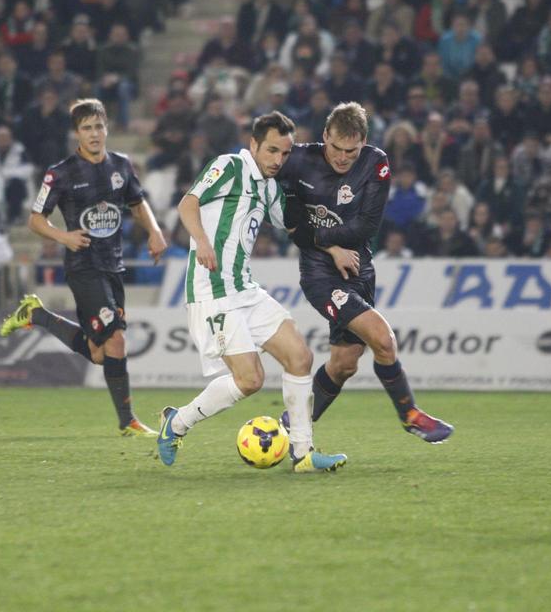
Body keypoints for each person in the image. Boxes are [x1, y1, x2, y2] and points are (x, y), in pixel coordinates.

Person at [155, 111, 346, 473]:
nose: (278, 160)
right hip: (212, 289)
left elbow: (294, 229)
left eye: (285, 154)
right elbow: (187, 204)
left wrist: (333, 248)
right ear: (253, 144)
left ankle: (303, 453)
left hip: (244, 288)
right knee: (250, 380)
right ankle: (176, 422)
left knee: (300, 357)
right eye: (272, 151)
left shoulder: (269, 187)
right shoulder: (229, 166)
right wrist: (202, 242)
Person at [278, 102, 453, 443]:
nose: (343, 158)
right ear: (325, 135)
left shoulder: (376, 163)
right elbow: (286, 220)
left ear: (363, 143)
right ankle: (410, 414)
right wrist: (328, 247)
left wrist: (315, 235)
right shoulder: (298, 160)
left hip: (359, 271)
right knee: (384, 340)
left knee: (344, 364)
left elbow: (366, 227)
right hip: (319, 275)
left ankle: (290, 424)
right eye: (337, 149)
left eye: (351, 151)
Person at [0, 100, 167, 437]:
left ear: (106, 128)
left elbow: (137, 201)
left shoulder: (121, 164)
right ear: (77, 133)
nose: (94, 134)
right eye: (86, 128)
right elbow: (35, 219)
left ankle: (38, 315)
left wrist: (155, 231)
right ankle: (128, 421)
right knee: (116, 341)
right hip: (83, 267)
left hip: (113, 267)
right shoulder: (59, 173)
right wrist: (64, 237)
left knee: (99, 353)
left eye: (98, 126)